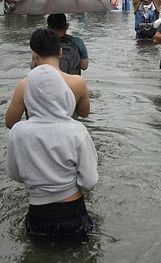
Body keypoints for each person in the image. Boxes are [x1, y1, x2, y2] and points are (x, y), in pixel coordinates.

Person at [7, 64, 98, 241]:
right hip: (73, 213)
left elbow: (14, 174)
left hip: (37, 216)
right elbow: (89, 181)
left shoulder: (17, 132)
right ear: (64, 94)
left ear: (28, 96)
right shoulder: (76, 130)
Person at [6, 28, 90, 129]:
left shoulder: (24, 85)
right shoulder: (77, 83)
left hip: (34, 139)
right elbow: (84, 113)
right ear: (60, 52)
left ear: (35, 55)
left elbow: (10, 123)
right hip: (68, 138)